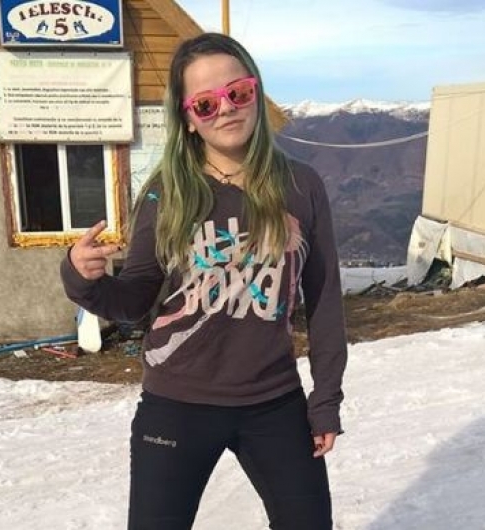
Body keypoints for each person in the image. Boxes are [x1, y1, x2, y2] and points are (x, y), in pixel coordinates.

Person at [60, 32, 348, 530]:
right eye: (206, 103)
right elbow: (134, 300)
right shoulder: (166, 193)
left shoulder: (300, 185)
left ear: (255, 92)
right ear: (188, 119)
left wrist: (325, 400)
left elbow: (324, 301)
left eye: (238, 92)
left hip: (274, 401)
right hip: (177, 403)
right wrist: (82, 278)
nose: (227, 109)